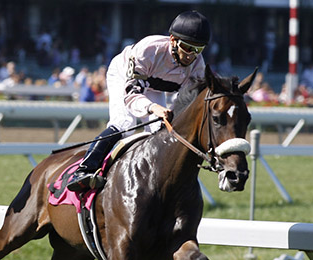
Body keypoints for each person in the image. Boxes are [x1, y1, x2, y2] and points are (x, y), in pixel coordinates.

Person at [66, 10, 210, 192]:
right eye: (187, 48)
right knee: (125, 124)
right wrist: (152, 107)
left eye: (198, 49)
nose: (191, 55)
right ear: (172, 40)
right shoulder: (149, 49)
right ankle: (85, 170)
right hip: (124, 77)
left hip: (154, 86)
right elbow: (132, 93)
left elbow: (189, 102)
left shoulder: (198, 65)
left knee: (160, 131)